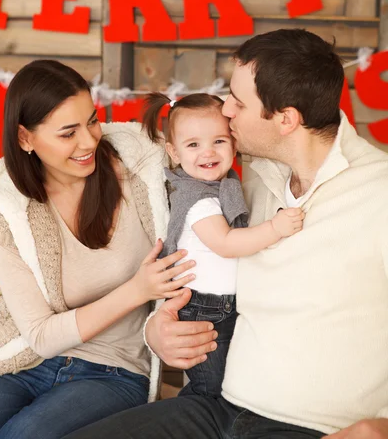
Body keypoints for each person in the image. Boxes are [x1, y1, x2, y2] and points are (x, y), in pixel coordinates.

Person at [64, 28, 388, 439]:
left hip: (310, 429)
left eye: (238, 101)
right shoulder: (244, 174)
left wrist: (379, 429)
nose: (226, 110)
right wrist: (156, 331)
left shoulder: (379, 195)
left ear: (286, 119)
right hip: (215, 407)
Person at [0, 60, 195, 439]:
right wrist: (136, 290)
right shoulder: (5, 208)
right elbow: (40, 335)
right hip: (31, 361)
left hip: (113, 370)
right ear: (25, 138)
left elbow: (210, 155)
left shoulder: (140, 168)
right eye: (68, 133)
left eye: (93, 121)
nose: (89, 141)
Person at [141, 91, 304, 397]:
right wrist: (275, 228)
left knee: (234, 383)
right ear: (174, 153)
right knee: (213, 389)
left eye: (218, 141)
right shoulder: (197, 200)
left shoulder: (222, 187)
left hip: (223, 306)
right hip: (204, 309)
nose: (208, 153)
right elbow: (227, 243)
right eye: (193, 145)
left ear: (233, 142)